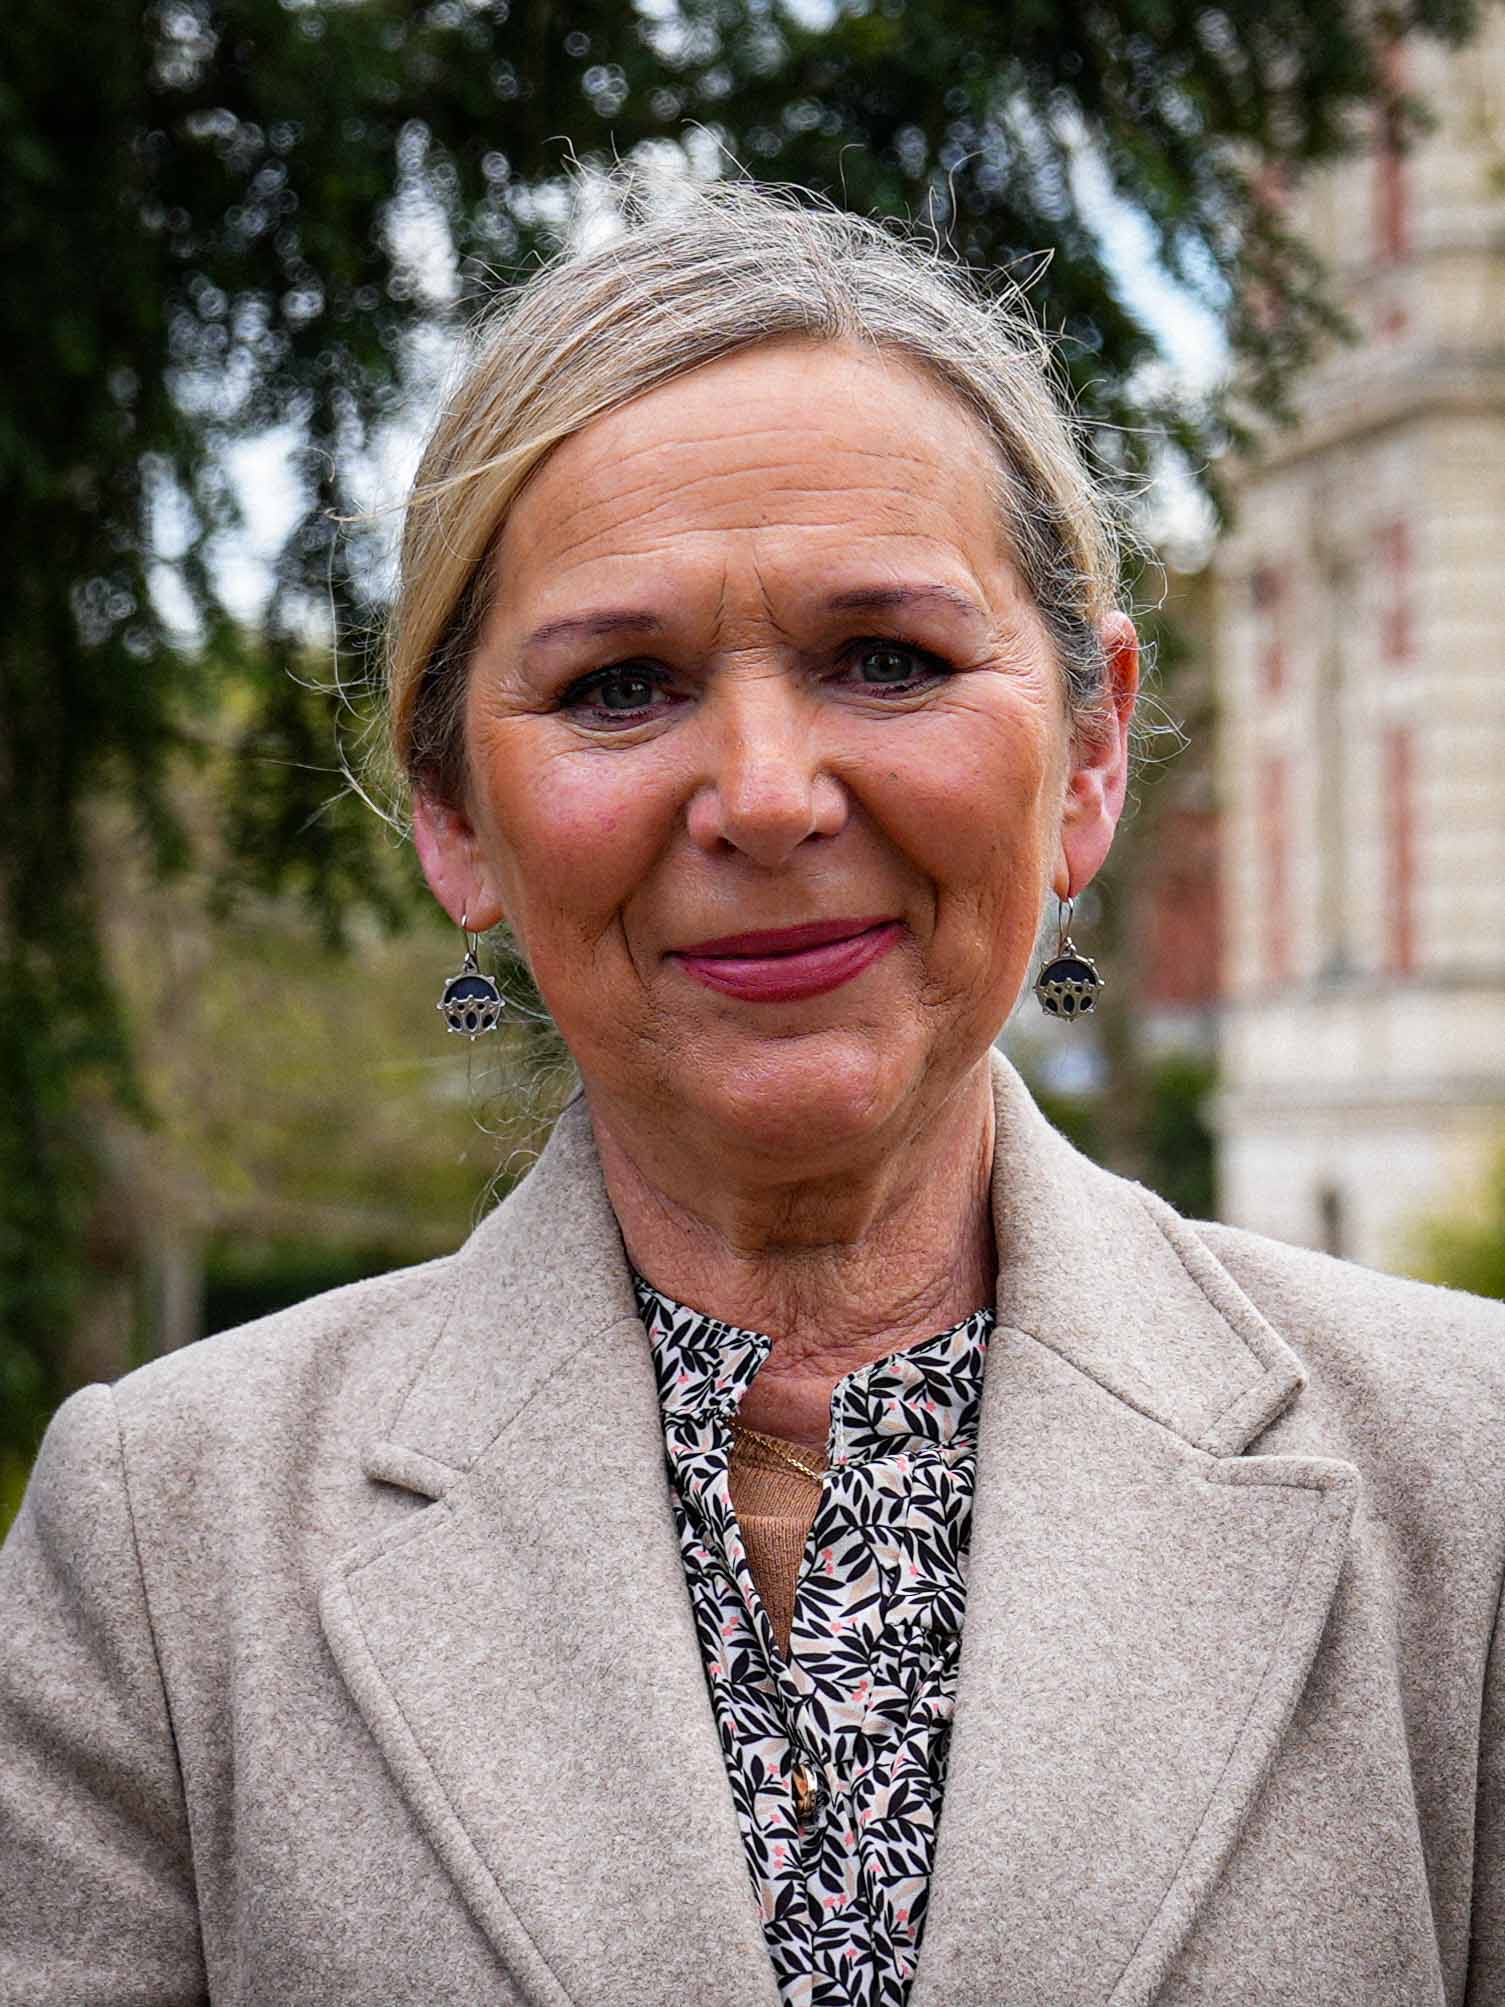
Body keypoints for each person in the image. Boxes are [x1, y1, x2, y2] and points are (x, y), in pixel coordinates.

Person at [1, 180, 1501, 2007]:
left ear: (1091, 751)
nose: (769, 796)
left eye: (887, 661)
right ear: (454, 814)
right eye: (620, 687)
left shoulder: (1469, 1483)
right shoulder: (164, 1548)